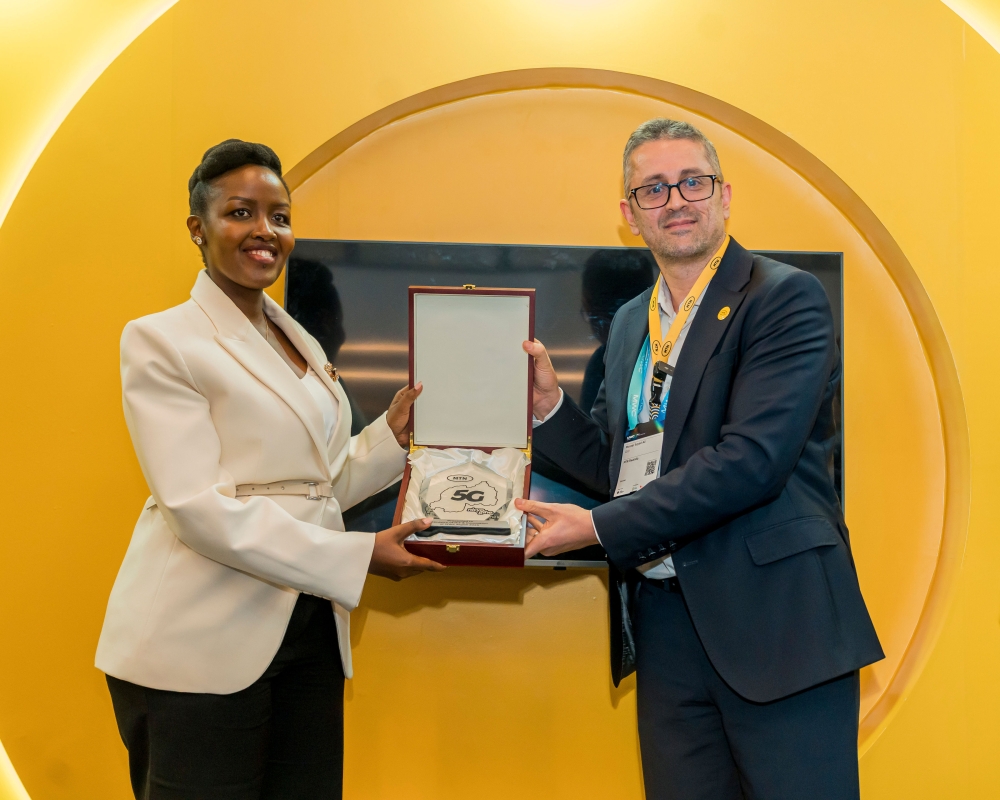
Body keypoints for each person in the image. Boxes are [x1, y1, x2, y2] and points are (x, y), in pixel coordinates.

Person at [515, 119, 884, 800]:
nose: (676, 200)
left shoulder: (784, 298)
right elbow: (620, 470)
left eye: (693, 181)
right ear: (629, 215)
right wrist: (548, 410)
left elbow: (751, 461)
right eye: (652, 189)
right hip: (666, 627)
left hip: (779, 625)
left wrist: (598, 529)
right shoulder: (630, 323)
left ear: (724, 194)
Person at [95, 139, 443, 800]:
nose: (265, 231)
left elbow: (312, 486)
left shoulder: (298, 338)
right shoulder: (161, 339)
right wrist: (357, 555)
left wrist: (389, 440)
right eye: (240, 213)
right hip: (197, 639)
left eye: (279, 217)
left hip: (307, 632)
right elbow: (196, 506)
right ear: (198, 228)